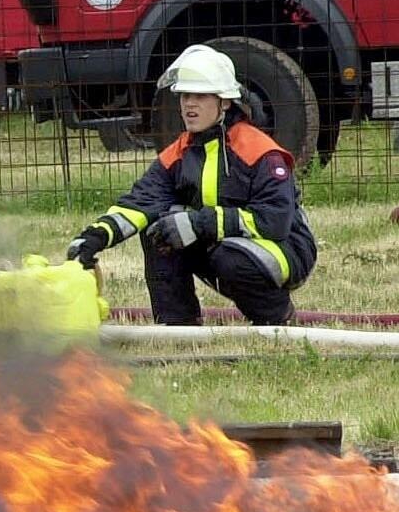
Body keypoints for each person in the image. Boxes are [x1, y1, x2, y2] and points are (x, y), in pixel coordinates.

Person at [66, 44, 317, 325]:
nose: (189, 104)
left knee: (228, 257)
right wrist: (94, 237)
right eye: (185, 95)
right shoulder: (180, 153)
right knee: (158, 230)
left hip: (286, 249)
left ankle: (277, 318)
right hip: (226, 242)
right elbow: (140, 203)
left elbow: (274, 222)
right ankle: (178, 324)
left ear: (224, 101)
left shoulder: (259, 151)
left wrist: (199, 224)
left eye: (199, 96)